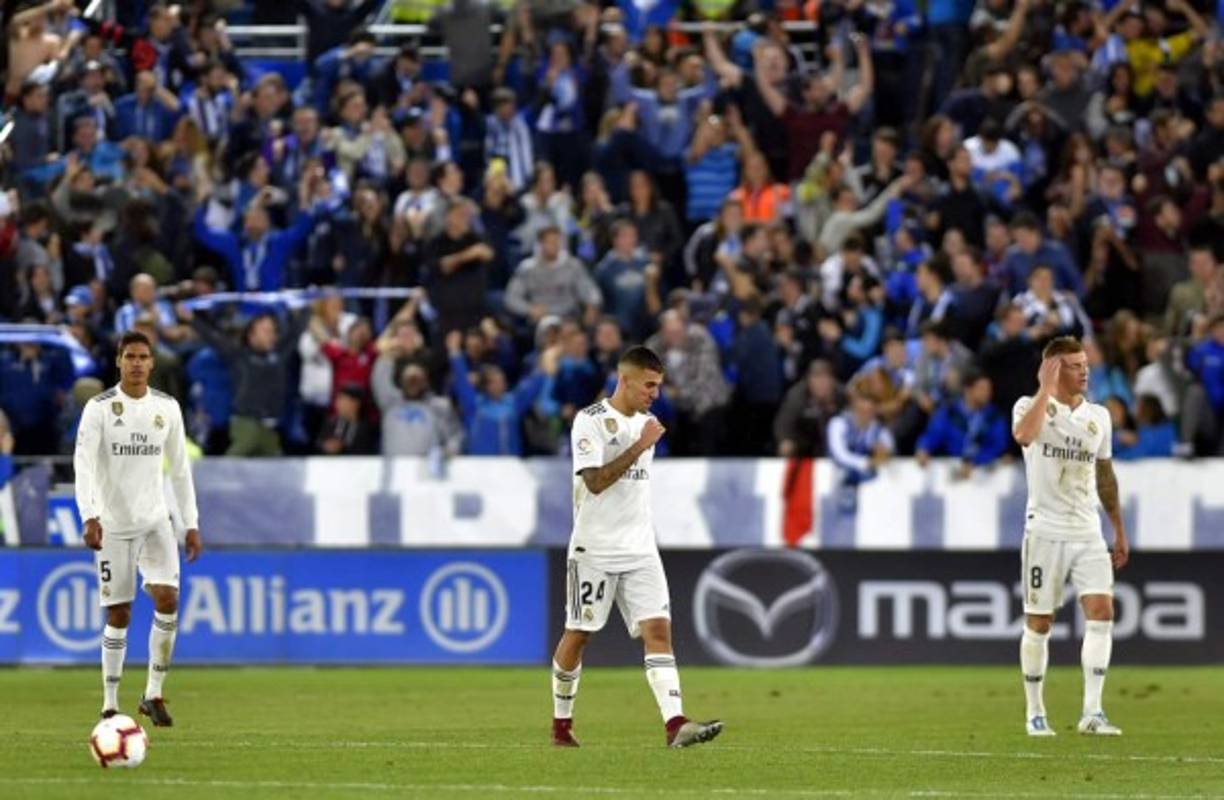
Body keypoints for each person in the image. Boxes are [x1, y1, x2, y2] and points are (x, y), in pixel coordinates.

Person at [550, 345, 722, 749]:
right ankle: (561, 725)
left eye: (658, 386)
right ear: (624, 380)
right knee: (579, 633)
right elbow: (594, 482)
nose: (655, 394)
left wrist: (644, 440)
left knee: (658, 630)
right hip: (594, 549)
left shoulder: (649, 422)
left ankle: (675, 724)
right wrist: (640, 445)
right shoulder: (590, 422)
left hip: (641, 548)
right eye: (649, 385)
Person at [73, 331, 202, 728]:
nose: (136, 363)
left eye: (143, 357)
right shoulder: (99, 408)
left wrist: (191, 523)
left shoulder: (167, 408)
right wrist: (89, 515)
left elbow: (180, 470)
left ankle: (153, 693)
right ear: (118, 361)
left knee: (168, 599)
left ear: (152, 363)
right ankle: (110, 703)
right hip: (113, 524)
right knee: (119, 612)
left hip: (155, 521)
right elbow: (84, 464)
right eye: (129, 356)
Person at [1012, 336, 1129, 737]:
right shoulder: (1030, 407)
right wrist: (1045, 389)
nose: (1085, 371)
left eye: (1085, 364)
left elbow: (1105, 475)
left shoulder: (1099, 416)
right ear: (1055, 369)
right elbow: (1025, 437)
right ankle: (1035, 712)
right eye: (1076, 365)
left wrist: (1118, 527)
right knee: (1039, 622)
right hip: (1044, 530)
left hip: (1087, 530)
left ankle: (1092, 713)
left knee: (1102, 611)